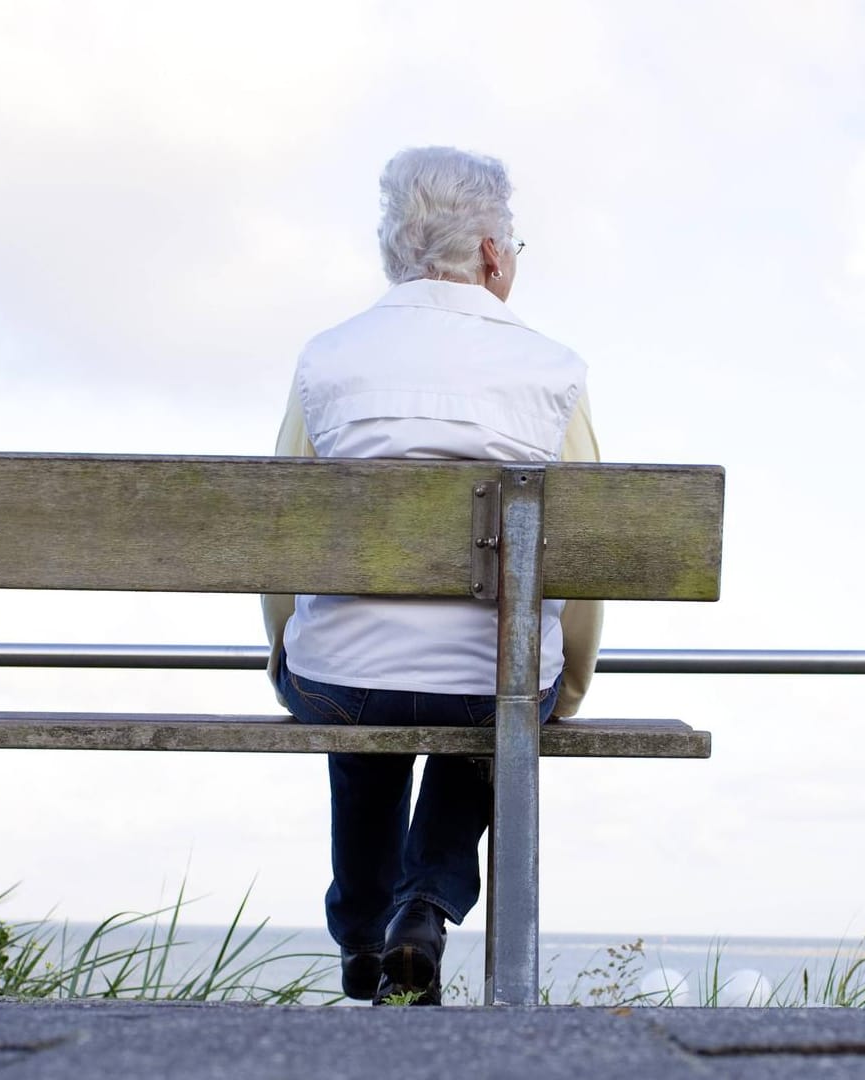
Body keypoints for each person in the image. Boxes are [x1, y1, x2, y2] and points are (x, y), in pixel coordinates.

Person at [261, 146, 602, 1006]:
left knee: (350, 673)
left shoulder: (327, 359)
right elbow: (593, 557)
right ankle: (424, 907)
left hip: (343, 682)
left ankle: (365, 932)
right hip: (489, 685)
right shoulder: (554, 371)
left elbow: (272, 534)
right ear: (491, 253)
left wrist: (282, 655)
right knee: (505, 689)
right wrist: (573, 680)